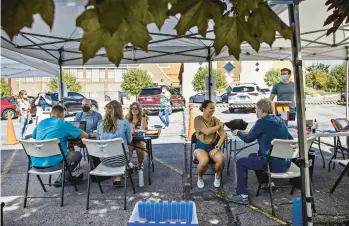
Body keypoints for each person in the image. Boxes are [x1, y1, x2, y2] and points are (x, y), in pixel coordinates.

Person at [227, 98, 293, 205]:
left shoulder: (261, 122)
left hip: (271, 164)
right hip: (286, 163)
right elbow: (289, 139)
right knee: (253, 155)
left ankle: (242, 195)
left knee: (240, 162)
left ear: (261, 110)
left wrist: (238, 132)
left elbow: (247, 139)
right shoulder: (280, 120)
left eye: (256, 109)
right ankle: (268, 184)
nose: (256, 111)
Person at [32, 105, 88, 186]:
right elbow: (85, 136)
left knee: (66, 151)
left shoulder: (41, 123)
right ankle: (65, 177)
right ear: (62, 115)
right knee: (78, 155)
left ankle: (67, 177)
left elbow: (34, 136)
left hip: (36, 165)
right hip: (54, 165)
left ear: (50, 114)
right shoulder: (63, 123)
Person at [96, 100, 132, 185]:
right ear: (120, 110)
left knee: (115, 151)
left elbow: (98, 140)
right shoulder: (124, 123)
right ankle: (120, 175)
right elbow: (129, 140)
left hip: (105, 160)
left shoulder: (100, 124)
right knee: (123, 150)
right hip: (121, 160)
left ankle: (118, 178)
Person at [194, 100, 226, 188]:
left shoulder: (215, 120)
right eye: (211, 108)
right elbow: (206, 131)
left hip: (213, 146)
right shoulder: (198, 119)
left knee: (221, 159)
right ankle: (200, 177)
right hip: (201, 147)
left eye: (214, 108)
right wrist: (219, 126)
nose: (213, 110)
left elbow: (223, 135)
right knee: (204, 160)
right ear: (204, 109)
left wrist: (217, 147)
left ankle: (218, 176)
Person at [127, 102, 148, 170]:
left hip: (140, 139)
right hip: (130, 139)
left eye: (136, 108)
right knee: (128, 147)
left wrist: (143, 117)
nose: (134, 110)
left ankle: (139, 164)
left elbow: (144, 129)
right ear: (130, 110)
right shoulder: (127, 118)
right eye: (132, 108)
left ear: (139, 110)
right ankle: (128, 164)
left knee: (141, 146)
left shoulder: (143, 118)